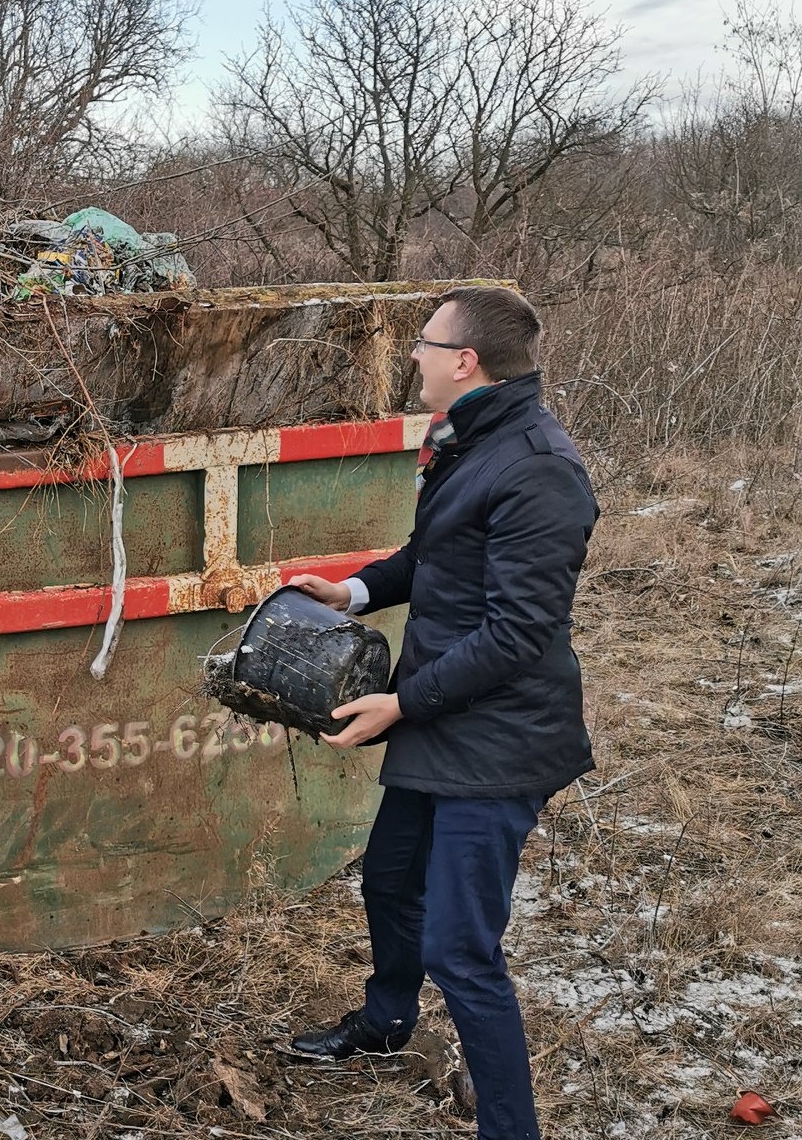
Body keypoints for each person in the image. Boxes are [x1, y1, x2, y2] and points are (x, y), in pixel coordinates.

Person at [283, 286, 598, 1140]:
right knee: (389, 879)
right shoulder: (474, 441)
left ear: (466, 361)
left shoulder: (539, 468)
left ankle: (509, 1127)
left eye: (425, 342)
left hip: (498, 742)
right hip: (444, 716)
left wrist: (400, 703)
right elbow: (435, 558)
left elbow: (520, 636)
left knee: (461, 949)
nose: (411, 355)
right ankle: (388, 1023)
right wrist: (351, 591)